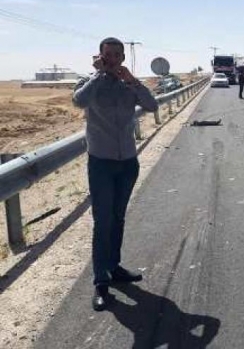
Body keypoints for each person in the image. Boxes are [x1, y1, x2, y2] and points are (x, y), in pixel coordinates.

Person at [73, 37, 158, 311]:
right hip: (101, 164)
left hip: (128, 163)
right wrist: (99, 75)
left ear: (122, 57)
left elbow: (152, 105)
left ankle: (114, 267)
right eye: (107, 54)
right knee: (103, 222)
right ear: (99, 56)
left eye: (117, 55)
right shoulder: (89, 82)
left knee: (118, 218)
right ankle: (101, 282)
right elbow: (79, 101)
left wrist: (132, 80)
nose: (112, 59)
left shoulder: (127, 84)